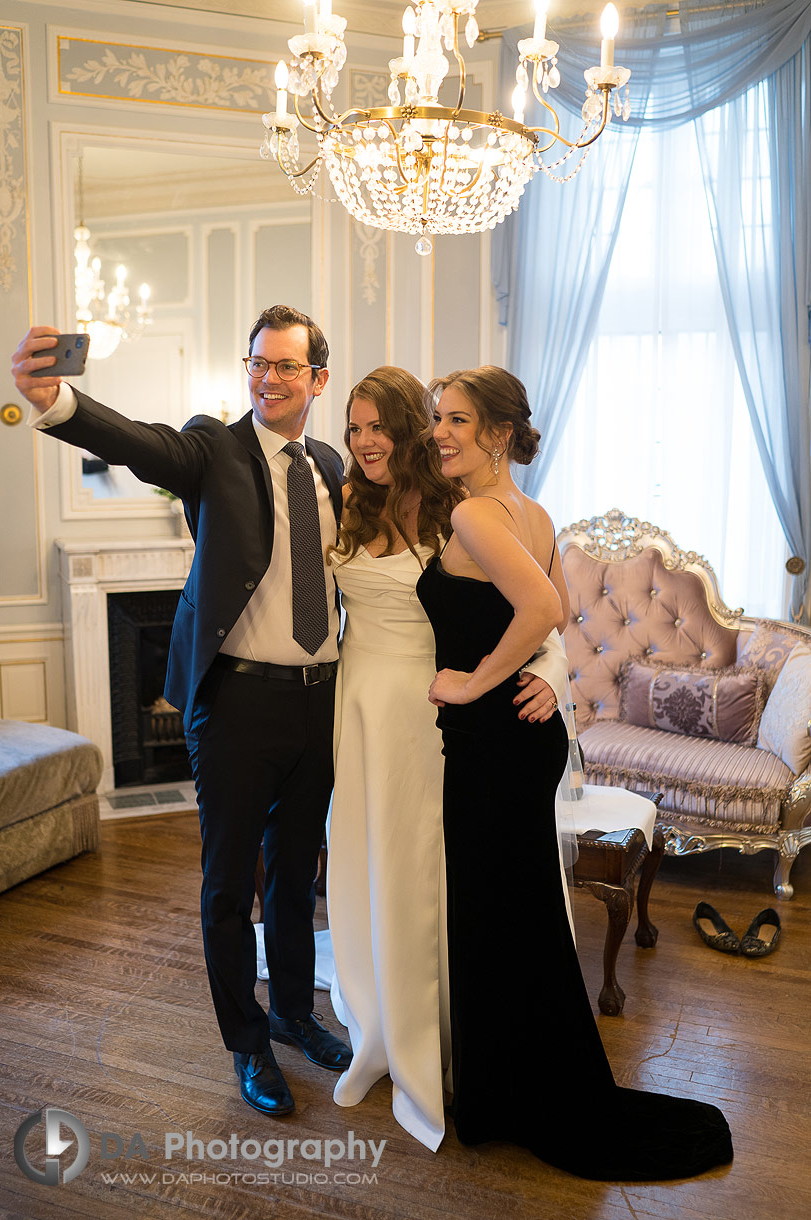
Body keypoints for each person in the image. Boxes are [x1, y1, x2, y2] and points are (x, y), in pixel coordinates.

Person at [10, 307, 353, 1119]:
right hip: (235, 703)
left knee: (299, 877)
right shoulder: (214, 449)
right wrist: (57, 401)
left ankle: (295, 1011)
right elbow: (138, 440)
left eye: (285, 367)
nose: (266, 379)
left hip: (317, 706)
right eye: (256, 364)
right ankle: (248, 1045)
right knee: (230, 884)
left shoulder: (332, 465)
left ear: (318, 380)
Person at [415, 365, 734, 1180]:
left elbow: (547, 614)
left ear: (495, 432)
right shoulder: (533, 511)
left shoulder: (477, 513)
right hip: (521, 740)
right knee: (518, 915)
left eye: (454, 420)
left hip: (488, 739)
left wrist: (474, 680)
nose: (438, 434)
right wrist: (540, 682)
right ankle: (522, 1085)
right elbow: (551, 629)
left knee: (494, 914)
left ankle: (505, 1096)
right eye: (436, 419)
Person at [323, 366, 568, 1151]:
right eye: (353, 428)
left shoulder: (461, 512)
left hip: (440, 717)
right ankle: (393, 1025)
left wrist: (546, 675)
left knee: (442, 879)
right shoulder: (343, 503)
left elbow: (541, 614)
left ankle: (457, 1042)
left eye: (381, 427)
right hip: (363, 706)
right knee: (377, 868)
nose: (366, 442)